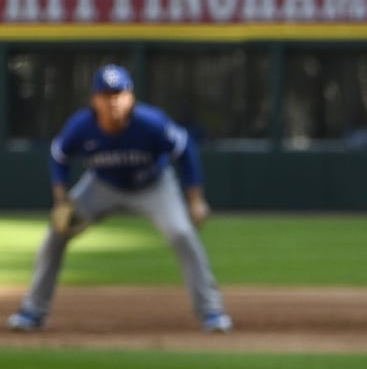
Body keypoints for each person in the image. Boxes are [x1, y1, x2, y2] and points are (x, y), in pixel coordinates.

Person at [7, 65, 232, 333]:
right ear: (94, 100)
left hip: (154, 185)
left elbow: (185, 150)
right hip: (101, 185)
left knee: (182, 233)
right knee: (56, 234)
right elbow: (59, 155)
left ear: (131, 97)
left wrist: (195, 199)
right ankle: (33, 311)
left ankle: (211, 312)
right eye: (106, 95)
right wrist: (61, 197)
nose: (113, 101)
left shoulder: (151, 123)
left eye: (119, 94)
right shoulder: (82, 126)